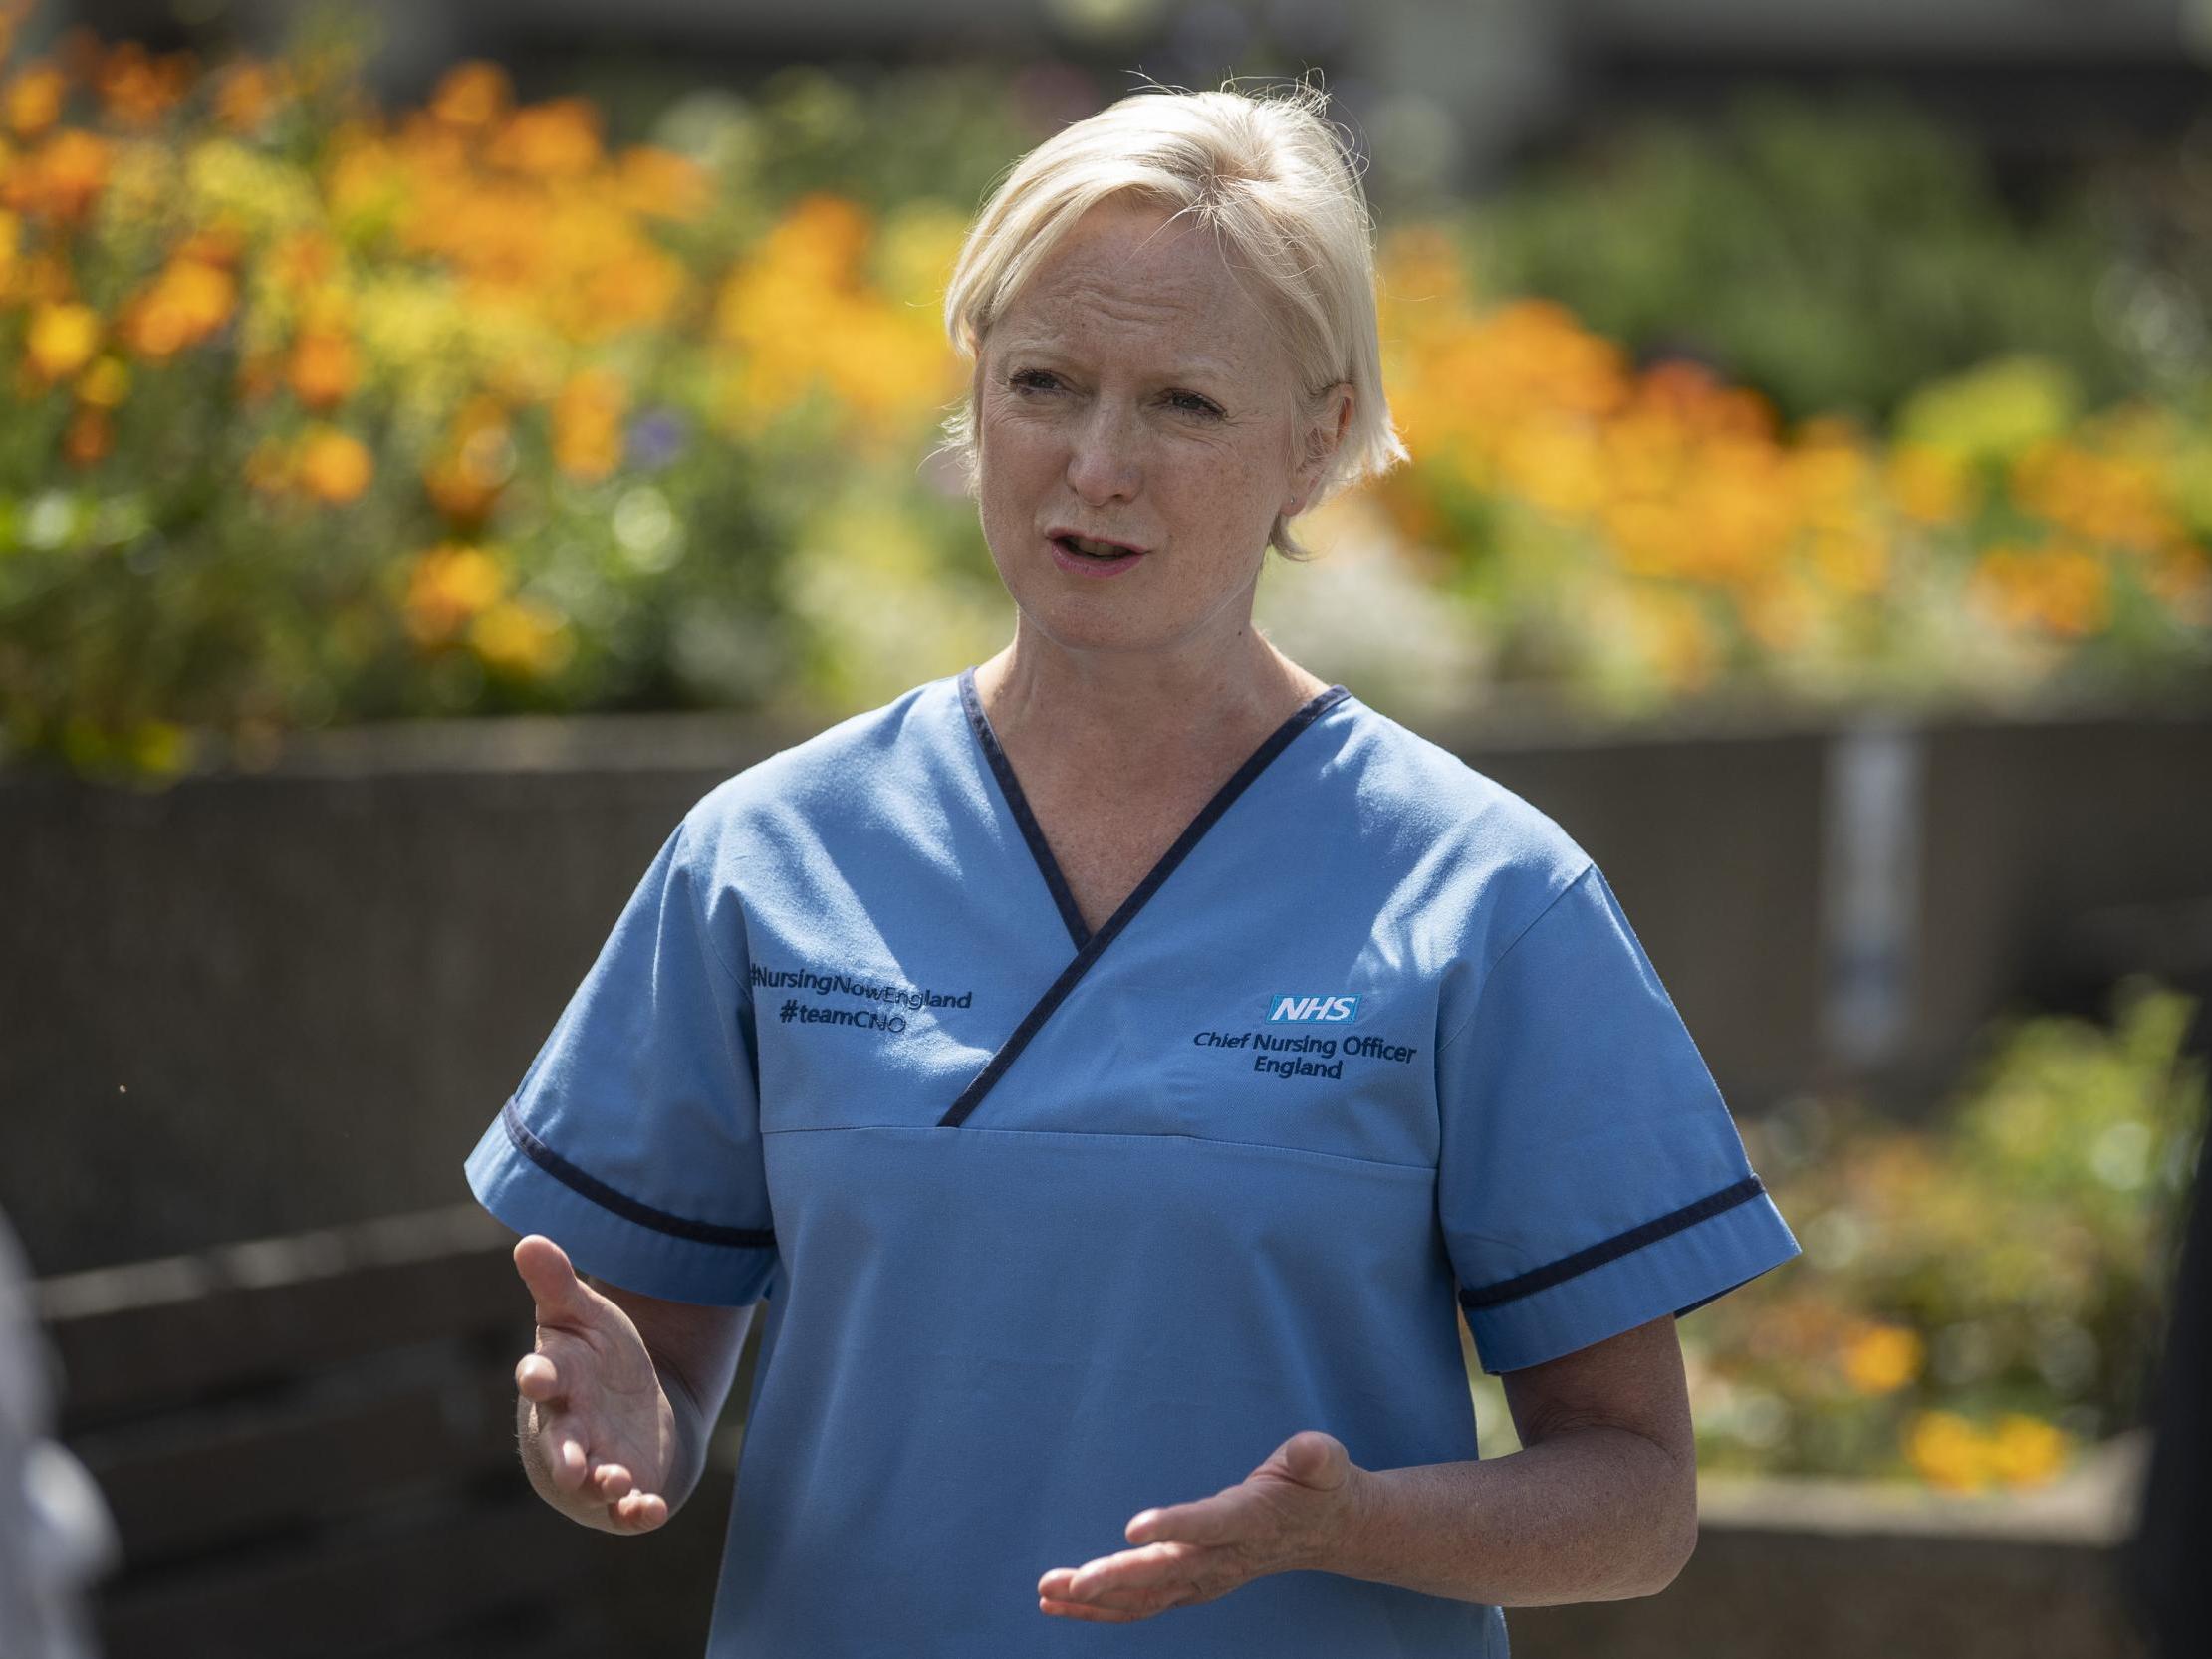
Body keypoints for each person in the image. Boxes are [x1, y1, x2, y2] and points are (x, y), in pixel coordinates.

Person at [463, 77, 1803, 1655]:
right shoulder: (761, 858)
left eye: (1182, 403)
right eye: (1044, 382)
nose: (1095, 463)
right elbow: (658, 1393)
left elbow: (1636, 1502)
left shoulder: (1487, 897)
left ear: (1313, 443)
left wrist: (1347, 1523)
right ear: (976, 394)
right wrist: (605, 1438)